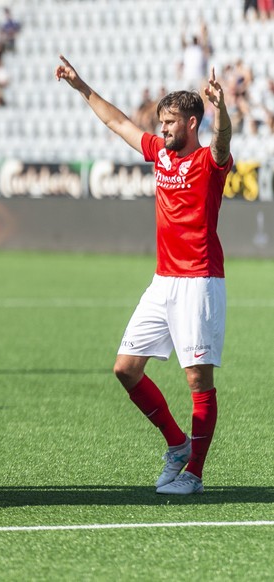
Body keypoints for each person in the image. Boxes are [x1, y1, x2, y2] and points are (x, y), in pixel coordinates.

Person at [56, 55, 232, 495]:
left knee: (198, 380)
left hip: (200, 281)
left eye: (171, 122)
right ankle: (176, 444)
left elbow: (223, 140)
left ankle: (194, 473)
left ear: (193, 123)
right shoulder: (160, 155)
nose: (163, 129)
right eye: (161, 122)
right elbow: (117, 122)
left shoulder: (209, 163)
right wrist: (81, 86)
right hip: (164, 281)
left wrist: (222, 109)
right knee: (126, 369)